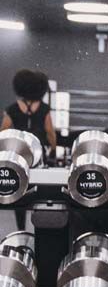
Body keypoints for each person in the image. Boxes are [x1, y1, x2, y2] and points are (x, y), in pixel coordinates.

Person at [3, 70, 55, 231]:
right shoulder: (44, 108)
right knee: (40, 186)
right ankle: (41, 225)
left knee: (20, 188)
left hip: (19, 152)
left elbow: (4, 130)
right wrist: (53, 149)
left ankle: (21, 227)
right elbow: (50, 132)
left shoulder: (12, 108)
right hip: (38, 152)